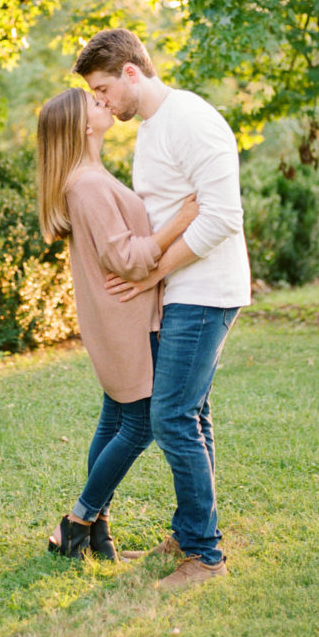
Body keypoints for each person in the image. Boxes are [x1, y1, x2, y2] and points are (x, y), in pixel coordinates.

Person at [73, 29, 251, 589]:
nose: (100, 103)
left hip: (206, 291)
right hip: (180, 291)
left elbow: (223, 217)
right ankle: (191, 531)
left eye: (103, 90)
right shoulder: (150, 131)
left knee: (169, 415)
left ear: (131, 72)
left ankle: (205, 555)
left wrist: (154, 270)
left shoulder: (192, 119)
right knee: (191, 414)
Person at [36, 86, 198, 561]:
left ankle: (97, 533)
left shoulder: (89, 177)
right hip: (125, 321)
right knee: (141, 423)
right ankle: (77, 521)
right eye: (93, 101)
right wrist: (183, 219)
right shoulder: (86, 184)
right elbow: (127, 257)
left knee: (114, 421)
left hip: (121, 317)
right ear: (81, 126)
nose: (102, 101)